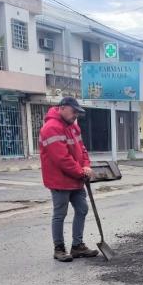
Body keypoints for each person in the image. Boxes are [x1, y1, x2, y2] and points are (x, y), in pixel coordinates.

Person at [39, 97, 98, 262]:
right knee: (60, 214)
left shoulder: (73, 127)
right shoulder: (50, 128)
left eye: (78, 113)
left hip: (76, 178)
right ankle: (59, 249)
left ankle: (77, 246)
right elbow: (62, 159)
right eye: (74, 111)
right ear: (62, 108)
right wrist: (81, 172)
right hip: (59, 180)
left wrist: (86, 166)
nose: (75, 115)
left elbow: (82, 149)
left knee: (82, 209)